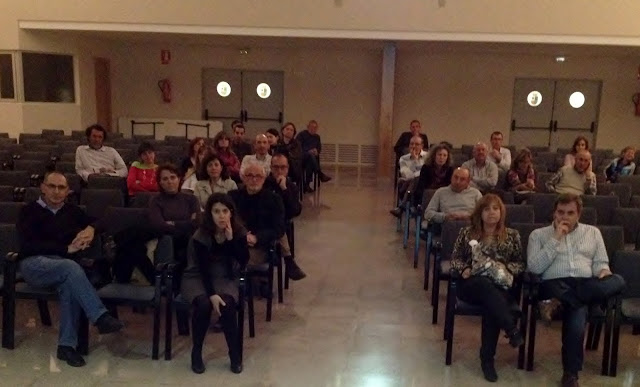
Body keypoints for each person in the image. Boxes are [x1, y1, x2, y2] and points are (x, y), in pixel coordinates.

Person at [16, 171, 124, 367]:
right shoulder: (29, 211)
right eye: (52, 186)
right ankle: (99, 316)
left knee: (69, 285)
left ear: (68, 191)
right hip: (34, 264)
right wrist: (66, 249)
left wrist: (91, 228)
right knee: (71, 267)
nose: (56, 192)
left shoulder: (72, 212)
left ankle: (66, 347)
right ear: (42, 188)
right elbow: (28, 246)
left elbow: (105, 220)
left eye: (61, 188)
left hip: (63, 267)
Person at [527, 194, 626, 387]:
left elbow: (600, 264)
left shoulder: (593, 233)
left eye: (570, 213)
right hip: (555, 285)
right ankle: (571, 374)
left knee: (618, 280)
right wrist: (556, 238)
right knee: (577, 307)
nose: (565, 217)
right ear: (554, 213)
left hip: (584, 283)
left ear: (578, 214)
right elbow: (535, 268)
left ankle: (570, 374)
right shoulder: (538, 235)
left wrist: (604, 273)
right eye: (560, 212)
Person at [450, 194, 525, 382]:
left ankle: (487, 360)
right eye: (486, 209)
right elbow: (455, 259)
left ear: (501, 212)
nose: (492, 213)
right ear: (479, 213)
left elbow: (520, 263)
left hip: (500, 285)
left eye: (495, 209)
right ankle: (511, 329)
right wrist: (464, 268)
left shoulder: (512, 235)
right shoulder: (467, 233)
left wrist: (506, 268)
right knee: (484, 285)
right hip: (471, 286)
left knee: (493, 303)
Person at [182, 193, 248, 374]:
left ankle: (235, 355)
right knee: (203, 304)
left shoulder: (239, 231)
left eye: (225, 211)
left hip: (226, 276)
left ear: (231, 213)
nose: (221, 215)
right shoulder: (201, 234)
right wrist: (211, 295)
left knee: (226, 305)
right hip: (197, 276)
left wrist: (231, 240)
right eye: (216, 211)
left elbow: (243, 261)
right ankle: (196, 353)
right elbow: (202, 269)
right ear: (209, 214)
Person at [229, 163, 285, 274]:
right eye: (250, 175)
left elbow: (279, 229)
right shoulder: (232, 197)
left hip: (260, 246)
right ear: (244, 178)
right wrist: (242, 235)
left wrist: (256, 238)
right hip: (235, 242)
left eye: (258, 176)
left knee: (242, 262)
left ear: (264, 179)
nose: (254, 179)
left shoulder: (274, 199)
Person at [149, 164, 201, 279]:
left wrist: (173, 223)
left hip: (188, 239)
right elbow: (158, 225)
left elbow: (196, 223)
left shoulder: (191, 199)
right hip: (167, 241)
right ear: (160, 182)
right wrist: (186, 223)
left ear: (179, 179)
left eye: (173, 177)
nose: (170, 182)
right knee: (168, 240)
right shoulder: (155, 201)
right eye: (165, 179)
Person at [263, 153, 306, 280]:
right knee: (275, 221)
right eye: (276, 167)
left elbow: (295, 211)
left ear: (288, 168)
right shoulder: (264, 183)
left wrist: (284, 189)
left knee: (278, 222)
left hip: (280, 224)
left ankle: (283, 257)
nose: (280, 171)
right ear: (271, 168)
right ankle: (288, 259)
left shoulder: (291, 186)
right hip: (262, 220)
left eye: (283, 167)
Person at [388, 136, 429, 217]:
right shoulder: (403, 159)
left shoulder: (428, 157)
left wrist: (416, 161)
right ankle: (413, 206)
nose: (413, 146)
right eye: (411, 144)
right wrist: (416, 165)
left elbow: (425, 174)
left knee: (416, 179)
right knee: (415, 179)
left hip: (423, 185)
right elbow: (407, 175)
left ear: (422, 146)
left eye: (417, 144)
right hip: (408, 184)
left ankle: (402, 207)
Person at [296, 120, 331, 189]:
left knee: (311, 160)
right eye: (311, 127)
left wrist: (316, 151)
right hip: (302, 157)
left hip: (311, 159)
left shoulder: (317, 137)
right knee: (310, 156)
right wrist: (308, 151)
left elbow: (319, 147)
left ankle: (307, 185)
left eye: (315, 128)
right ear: (308, 127)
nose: (313, 129)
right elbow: (298, 148)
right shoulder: (301, 135)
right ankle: (320, 174)